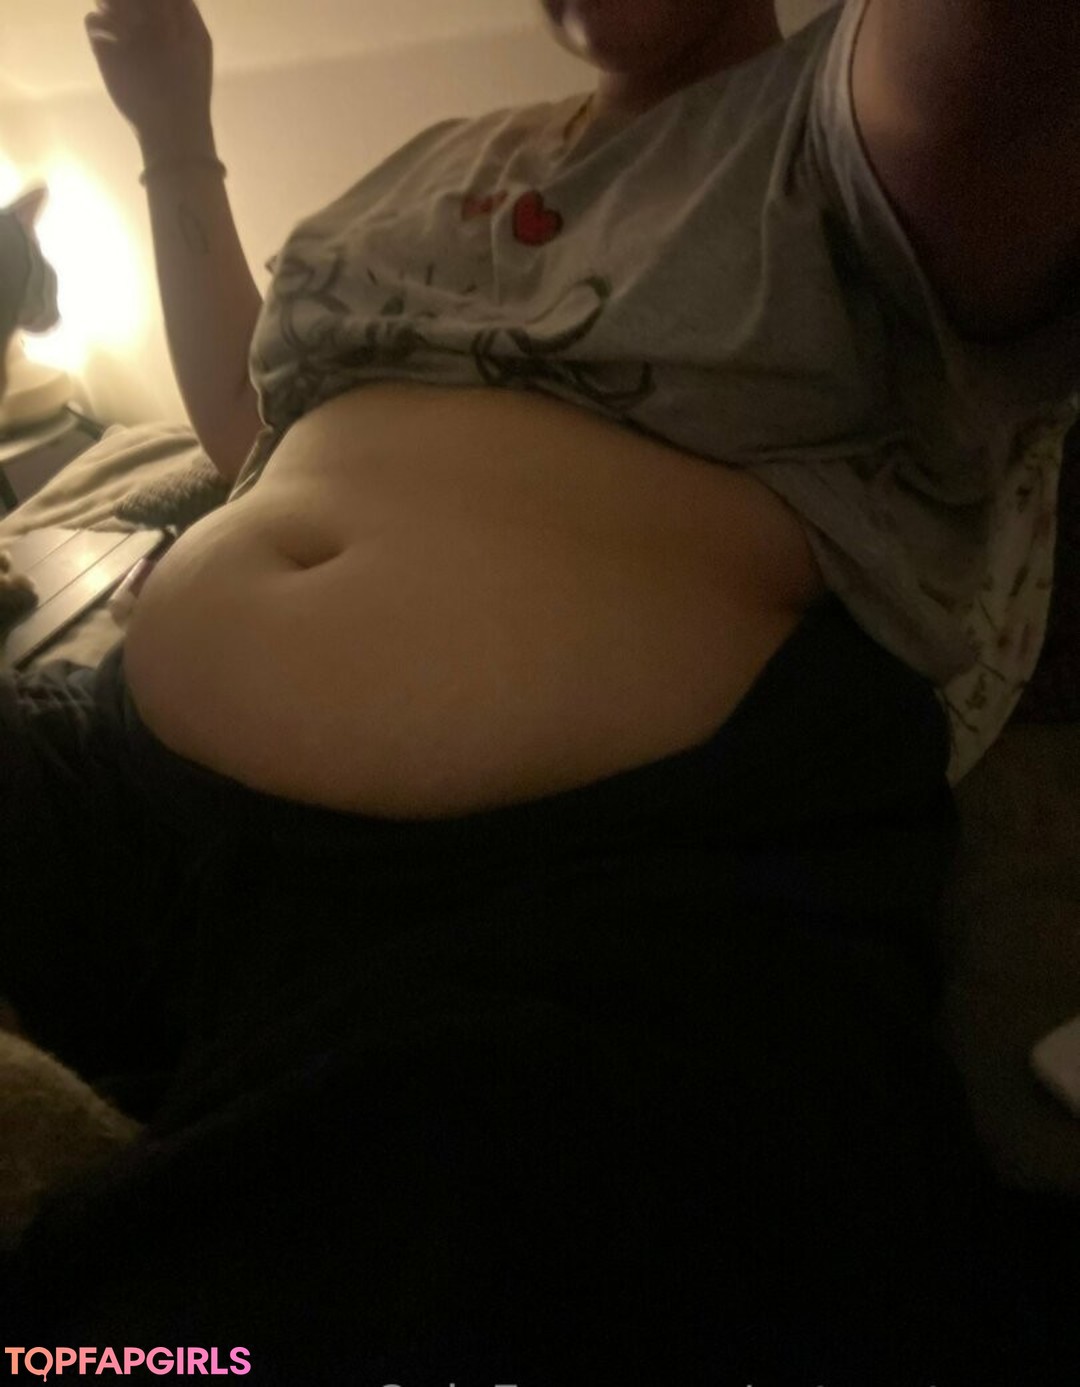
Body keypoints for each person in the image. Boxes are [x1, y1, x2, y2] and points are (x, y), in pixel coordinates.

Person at [2, 0, 1078, 1380]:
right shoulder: (427, 162)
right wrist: (170, 121)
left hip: (563, 893)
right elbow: (252, 434)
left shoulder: (851, 140)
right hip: (124, 779)